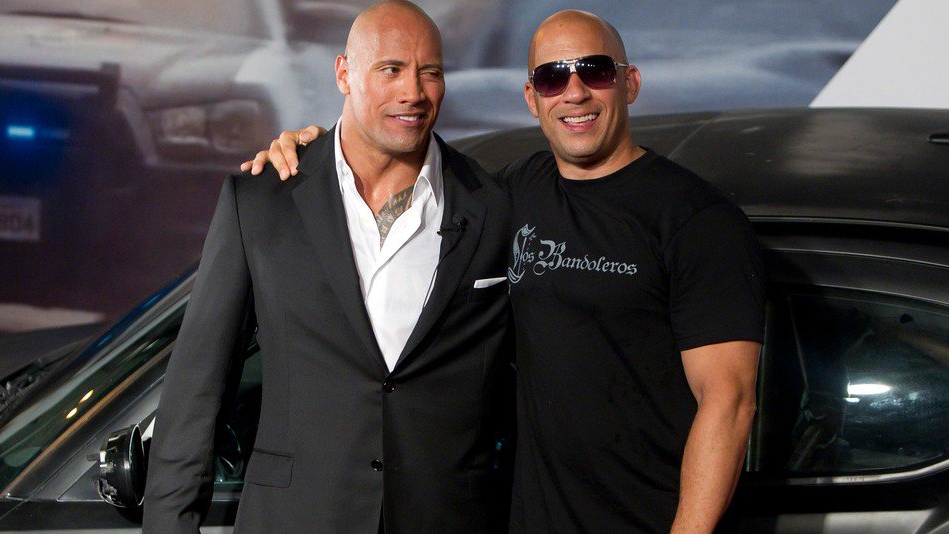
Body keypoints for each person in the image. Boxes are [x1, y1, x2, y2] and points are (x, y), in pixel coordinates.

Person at [247, 8, 766, 533]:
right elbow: (393, 169)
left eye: (595, 71)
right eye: (552, 78)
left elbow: (729, 402)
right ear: (532, 98)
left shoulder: (697, 220)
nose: (575, 92)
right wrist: (317, 152)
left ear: (629, 83)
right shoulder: (509, 195)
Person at [143, 2, 515, 533]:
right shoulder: (263, 198)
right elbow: (196, 390)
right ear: (344, 73)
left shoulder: (492, 204)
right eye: (391, 69)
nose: (413, 92)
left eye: (430, 72)